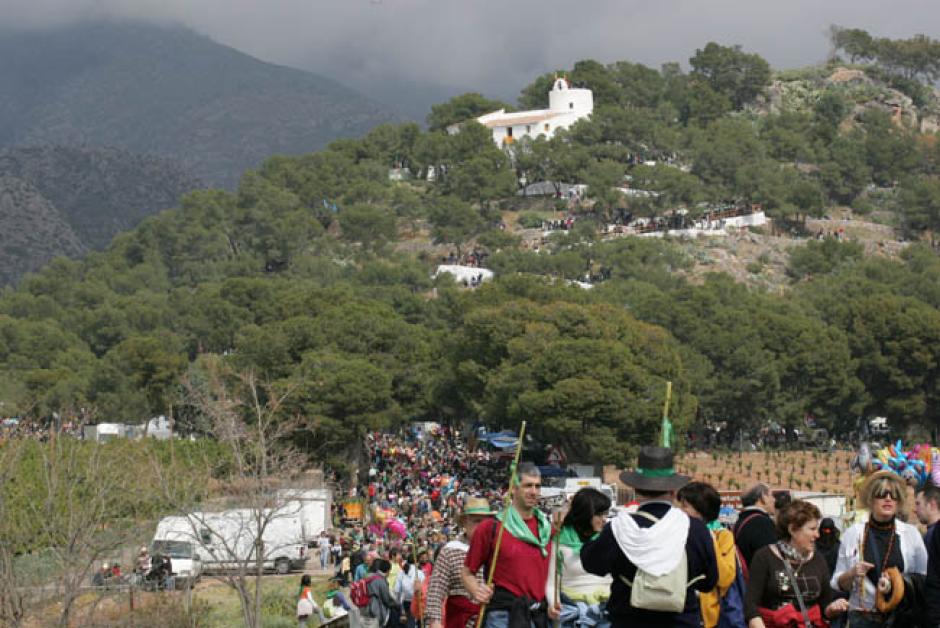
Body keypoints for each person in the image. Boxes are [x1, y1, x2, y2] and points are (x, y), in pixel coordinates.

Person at [581, 446, 717, 627]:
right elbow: (708, 582)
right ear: (673, 490)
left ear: (636, 488)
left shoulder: (618, 528)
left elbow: (593, 565)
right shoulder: (696, 530)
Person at [462, 462, 560, 628]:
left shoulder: (547, 529)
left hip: (539, 616)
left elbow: (553, 575)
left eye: (537, 486)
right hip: (503, 617)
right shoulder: (491, 527)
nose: (534, 492)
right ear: (513, 489)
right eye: (528, 486)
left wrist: (553, 602)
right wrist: (476, 590)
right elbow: (466, 573)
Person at [832, 471, 928, 627]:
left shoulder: (911, 534)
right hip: (863, 617)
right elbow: (837, 582)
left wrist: (899, 581)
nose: (888, 498)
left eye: (894, 495)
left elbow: (924, 578)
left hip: (900, 618)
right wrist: (852, 573)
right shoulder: (852, 533)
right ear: (871, 499)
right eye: (881, 494)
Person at [744, 500, 848, 627]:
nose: (817, 535)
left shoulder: (818, 559)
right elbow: (751, 605)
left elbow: (824, 607)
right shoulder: (764, 557)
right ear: (792, 529)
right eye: (812, 529)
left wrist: (832, 609)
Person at [676, 481, 740, 628]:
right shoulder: (676, 534)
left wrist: (708, 539)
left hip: (709, 618)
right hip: (679, 611)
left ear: (700, 510)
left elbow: (725, 578)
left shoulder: (722, 536)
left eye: (685, 506)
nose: (680, 510)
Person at [546, 487, 612, 628]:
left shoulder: (609, 538)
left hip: (606, 612)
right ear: (586, 514)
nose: (604, 519)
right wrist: (553, 603)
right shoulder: (558, 540)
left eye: (605, 514)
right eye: (599, 514)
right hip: (571, 614)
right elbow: (552, 582)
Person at [426, 497, 494, 628]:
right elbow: (435, 591)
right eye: (476, 521)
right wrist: (435, 622)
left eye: (486, 522)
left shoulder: (497, 551)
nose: (482, 527)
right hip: (459, 620)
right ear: (464, 523)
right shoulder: (451, 550)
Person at [734, 484, 778, 570]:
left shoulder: (741, 521)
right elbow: (770, 560)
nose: (774, 500)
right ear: (763, 497)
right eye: (771, 495)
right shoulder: (761, 522)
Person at [362, 558, 402, 628]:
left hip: (366, 608)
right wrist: (398, 605)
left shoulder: (369, 577)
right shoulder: (380, 580)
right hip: (376, 610)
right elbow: (387, 599)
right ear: (388, 570)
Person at [914, 481, 940, 547]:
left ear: (932, 505)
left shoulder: (934, 534)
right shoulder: (931, 533)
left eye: (918, 504)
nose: (915, 510)